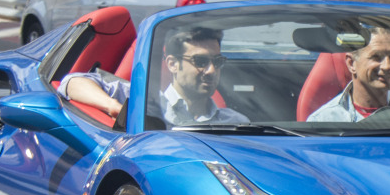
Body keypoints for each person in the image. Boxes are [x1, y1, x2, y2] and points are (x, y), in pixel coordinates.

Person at [58, 25, 249, 127]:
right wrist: (116, 108)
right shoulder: (143, 103)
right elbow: (71, 82)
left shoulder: (236, 122)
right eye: (200, 62)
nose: (211, 71)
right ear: (173, 64)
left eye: (217, 62)